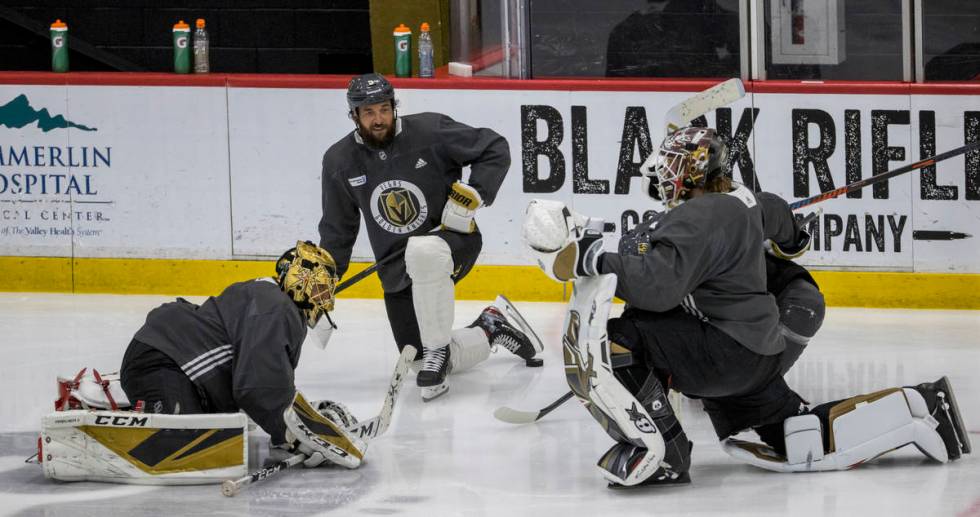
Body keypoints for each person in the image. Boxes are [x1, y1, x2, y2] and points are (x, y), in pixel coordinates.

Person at [522, 126, 971, 487]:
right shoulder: (746, 200)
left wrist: (592, 256)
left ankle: (663, 453)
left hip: (727, 353)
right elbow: (789, 230)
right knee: (795, 437)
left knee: (624, 337)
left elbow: (658, 286)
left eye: (672, 165)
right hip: (755, 354)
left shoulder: (697, 217)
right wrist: (797, 234)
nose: (662, 173)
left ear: (692, 173)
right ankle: (922, 407)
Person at [318, 73, 540, 401]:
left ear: (394, 107)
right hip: (396, 269)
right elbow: (338, 230)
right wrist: (323, 280)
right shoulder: (339, 161)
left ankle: (438, 349)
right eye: (368, 113)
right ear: (354, 116)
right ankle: (489, 329)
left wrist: (475, 193)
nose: (378, 119)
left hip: (452, 242)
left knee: (423, 251)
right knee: (417, 361)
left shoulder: (430, 131)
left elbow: (495, 147)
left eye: (383, 109)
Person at [120, 241, 367, 469]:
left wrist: (294, 422)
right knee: (188, 450)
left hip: (176, 360)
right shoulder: (277, 308)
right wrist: (290, 433)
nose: (326, 299)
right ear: (301, 279)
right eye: (322, 287)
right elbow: (257, 387)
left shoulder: (272, 299)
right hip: (163, 358)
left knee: (218, 438)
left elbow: (266, 378)